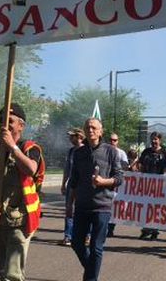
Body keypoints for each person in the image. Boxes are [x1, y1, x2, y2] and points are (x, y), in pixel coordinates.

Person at [0, 103, 45, 281]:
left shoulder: (30, 148)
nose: (4, 124)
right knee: (2, 270)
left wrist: (12, 148)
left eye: (10, 121)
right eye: (2, 120)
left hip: (20, 220)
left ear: (21, 126)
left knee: (12, 274)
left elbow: (31, 169)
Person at [67, 118, 123, 281]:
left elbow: (119, 178)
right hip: (82, 206)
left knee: (96, 248)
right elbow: (74, 180)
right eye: (87, 127)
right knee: (76, 243)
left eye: (93, 127)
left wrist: (103, 182)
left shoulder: (111, 151)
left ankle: (91, 278)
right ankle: (92, 271)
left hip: (102, 207)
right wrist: (69, 204)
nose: (90, 130)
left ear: (100, 131)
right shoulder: (78, 153)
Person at [138, 131, 166, 240]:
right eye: (152, 139)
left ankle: (155, 230)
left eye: (156, 139)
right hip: (146, 186)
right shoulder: (146, 152)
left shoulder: (165, 154)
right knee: (146, 208)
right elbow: (141, 166)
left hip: (159, 186)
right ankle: (146, 229)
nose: (153, 141)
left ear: (160, 140)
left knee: (156, 209)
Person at [61, 127, 85, 246]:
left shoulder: (87, 150)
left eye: (72, 136)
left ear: (79, 137)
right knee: (69, 210)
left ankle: (86, 236)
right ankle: (68, 236)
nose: (70, 138)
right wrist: (63, 183)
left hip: (83, 185)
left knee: (83, 211)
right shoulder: (71, 151)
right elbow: (67, 169)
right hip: (72, 184)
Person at [107, 133, 128, 238]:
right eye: (111, 140)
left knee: (114, 207)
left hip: (117, 184)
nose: (112, 142)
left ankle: (110, 228)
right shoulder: (104, 151)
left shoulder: (121, 153)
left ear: (117, 141)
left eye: (115, 140)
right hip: (105, 183)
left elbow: (125, 167)